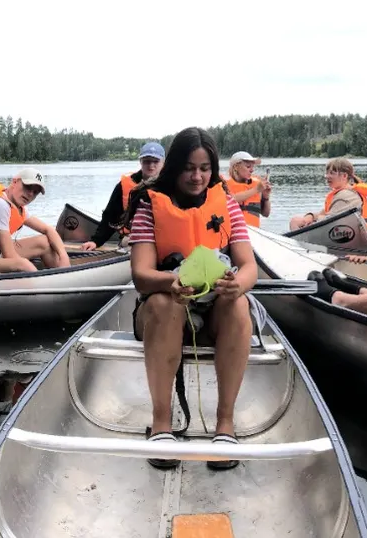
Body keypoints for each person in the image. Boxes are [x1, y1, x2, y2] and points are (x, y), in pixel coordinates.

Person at [123, 127, 257, 470]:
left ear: (213, 169)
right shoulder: (150, 204)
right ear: (174, 168)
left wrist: (238, 285)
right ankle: (161, 424)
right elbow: (141, 275)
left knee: (238, 302)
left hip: (213, 311)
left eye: (204, 168)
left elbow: (248, 267)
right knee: (164, 303)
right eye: (188, 168)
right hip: (162, 310)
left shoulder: (226, 202)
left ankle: (225, 425)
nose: (197, 177)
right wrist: (172, 282)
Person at [0, 168, 70, 273]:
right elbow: (10, 255)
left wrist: (63, 256)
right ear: (15, 182)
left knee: (44, 242)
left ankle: (62, 274)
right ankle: (46, 281)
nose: (30, 194)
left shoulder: (16, 206)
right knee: (24, 265)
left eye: (35, 192)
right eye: (27, 187)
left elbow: (48, 229)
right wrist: (26, 264)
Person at [81, 141, 166, 250]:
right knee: (129, 243)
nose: (151, 166)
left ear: (163, 162)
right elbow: (110, 216)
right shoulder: (123, 186)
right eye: (147, 161)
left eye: (156, 161)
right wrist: (96, 241)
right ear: (140, 161)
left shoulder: (172, 185)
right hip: (133, 239)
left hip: (162, 238)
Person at [288, 158, 367, 233]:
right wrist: (311, 216)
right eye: (327, 173)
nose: (327, 176)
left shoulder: (347, 195)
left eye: (331, 173)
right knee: (297, 220)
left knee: (295, 221)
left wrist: (313, 220)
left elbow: (331, 220)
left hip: (354, 238)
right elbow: (325, 213)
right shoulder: (339, 193)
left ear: (344, 176)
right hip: (345, 234)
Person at [225, 151, 272, 228]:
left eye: (253, 167)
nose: (252, 170)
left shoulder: (256, 184)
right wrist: (256, 189)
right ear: (236, 167)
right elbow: (229, 200)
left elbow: (266, 214)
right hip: (233, 230)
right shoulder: (224, 184)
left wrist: (266, 197)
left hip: (254, 231)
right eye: (248, 166)